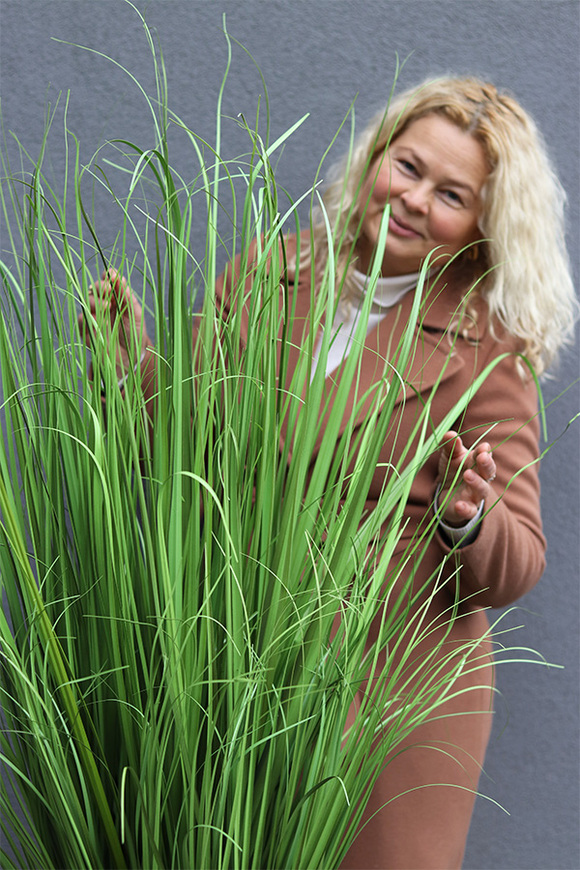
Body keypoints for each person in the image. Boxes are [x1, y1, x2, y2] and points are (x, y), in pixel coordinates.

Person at [80, 76, 576, 869]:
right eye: (407, 167)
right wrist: (127, 363)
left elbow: (517, 564)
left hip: (388, 695)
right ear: (376, 154)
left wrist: (465, 513)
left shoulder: (489, 347)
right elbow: (185, 449)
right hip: (240, 664)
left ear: (482, 228)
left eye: (451, 194)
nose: (415, 200)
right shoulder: (273, 271)